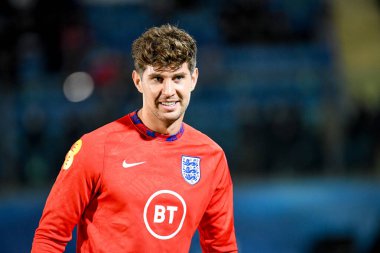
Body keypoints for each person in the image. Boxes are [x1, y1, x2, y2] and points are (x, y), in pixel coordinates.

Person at [31, 24, 238, 252]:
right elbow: (50, 237)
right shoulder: (94, 148)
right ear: (138, 81)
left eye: (178, 77)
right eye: (157, 79)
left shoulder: (211, 157)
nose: (169, 90)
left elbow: (222, 247)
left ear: (193, 79)